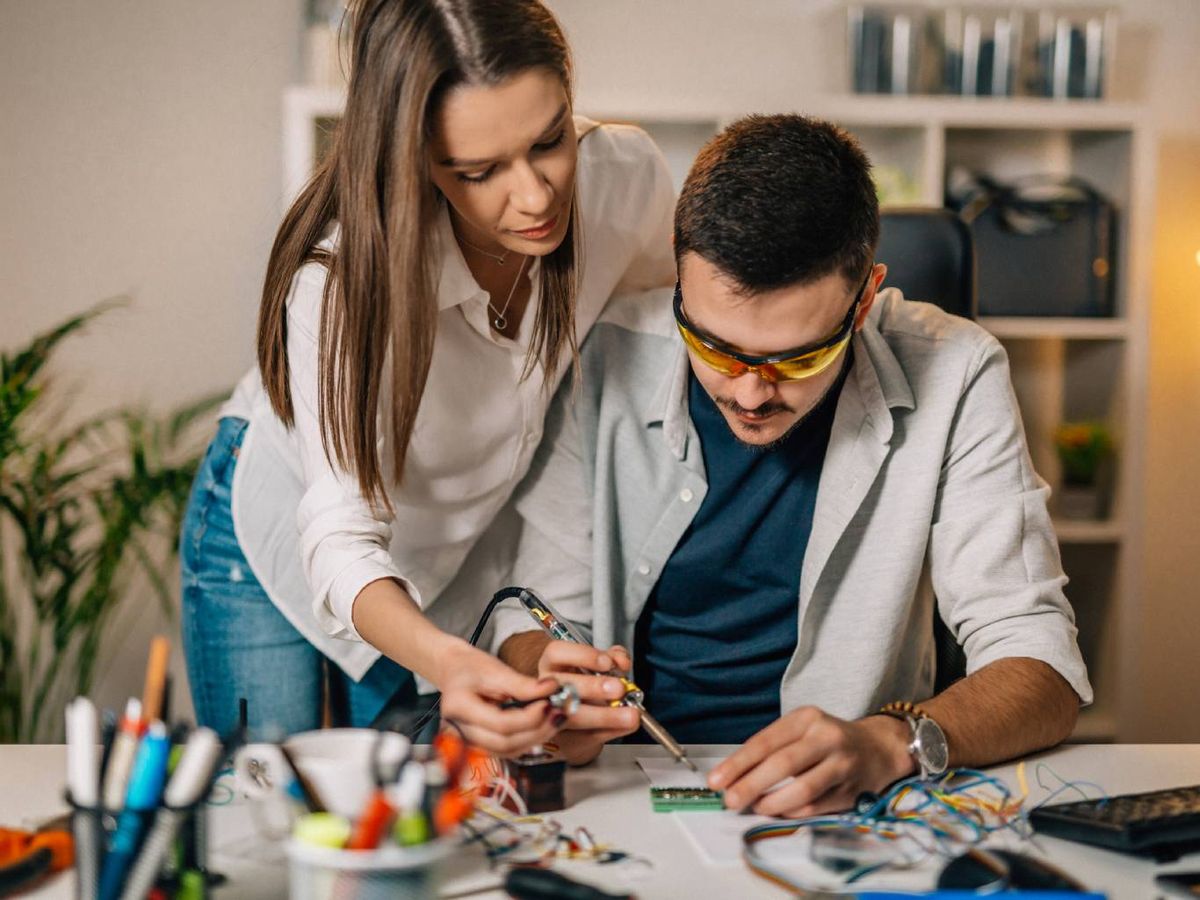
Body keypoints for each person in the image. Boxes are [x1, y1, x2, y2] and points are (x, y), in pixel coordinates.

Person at [492, 114, 1092, 814]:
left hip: (850, 805)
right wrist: (549, 680)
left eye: (797, 358)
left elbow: (1042, 665)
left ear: (864, 298)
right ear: (679, 275)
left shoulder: (957, 372)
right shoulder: (602, 358)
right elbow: (533, 623)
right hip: (625, 790)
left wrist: (892, 743)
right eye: (714, 346)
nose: (748, 393)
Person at [180, 0, 675, 750]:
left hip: (450, 548)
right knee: (277, 816)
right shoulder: (343, 276)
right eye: (478, 172)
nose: (536, 197)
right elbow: (342, 535)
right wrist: (452, 663)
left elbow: (649, 367)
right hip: (285, 532)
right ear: (413, 159)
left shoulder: (624, 180)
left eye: (549, 140)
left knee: (393, 822)